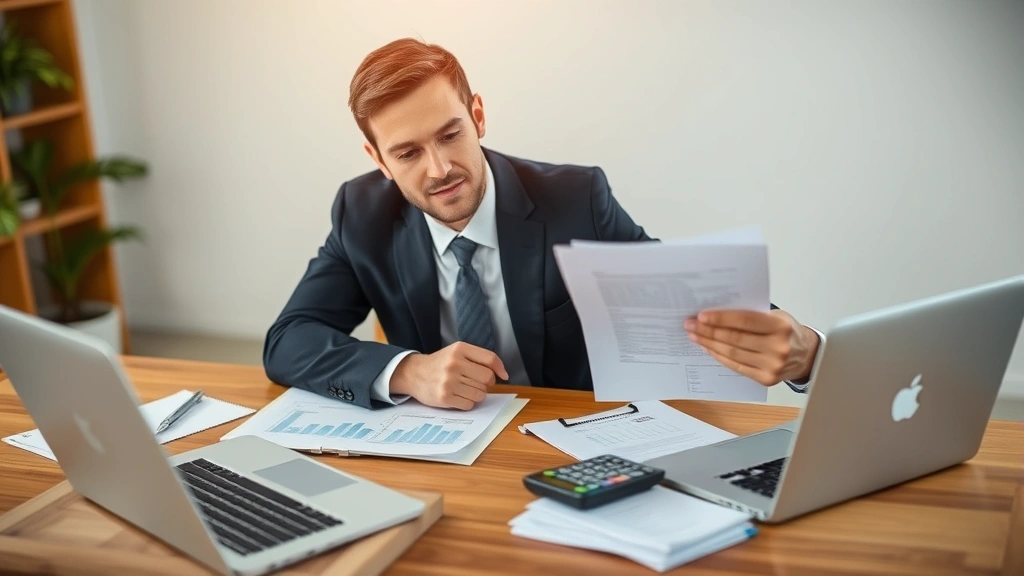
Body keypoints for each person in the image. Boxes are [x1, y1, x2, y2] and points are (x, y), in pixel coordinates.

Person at [263, 38, 822, 411]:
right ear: (378, 159)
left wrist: (805, 351)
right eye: (407, 153)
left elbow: (683, 300)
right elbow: (289, 342)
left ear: (478, 115)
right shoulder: (361, 214)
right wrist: (409, 372)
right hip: (445, 454)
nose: (440, 170)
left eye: (451, 135)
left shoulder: (575, 198)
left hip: (571, 441)